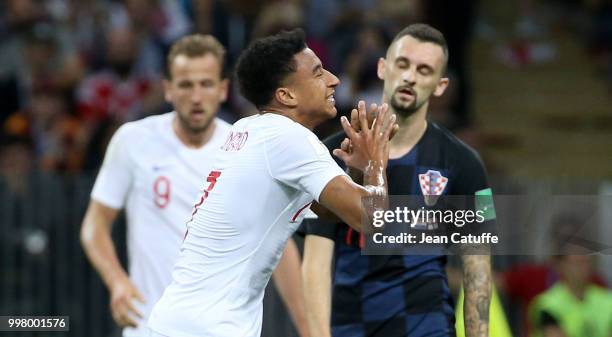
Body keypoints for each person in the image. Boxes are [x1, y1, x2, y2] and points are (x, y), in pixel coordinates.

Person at [147, 28, 397, 337]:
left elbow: (327, 210)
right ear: (286, 95)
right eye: (318, 73)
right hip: (210, 328)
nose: (334, 79)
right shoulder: (288, 137)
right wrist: (376, 162)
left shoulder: (251, 130)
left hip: (178, 321)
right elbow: (376, 222)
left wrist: (356, 172)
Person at [80, 34, 309, 337]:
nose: (196, 96)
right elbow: (94, 225)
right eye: (186, 85)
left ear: (223, 89)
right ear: (168, 89)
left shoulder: (249, 149)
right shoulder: (133, 141)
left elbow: (278, 248)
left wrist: (309, 329)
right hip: (149, 326)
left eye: (206, 84)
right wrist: (117, 281)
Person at [302, 23, 493, 337]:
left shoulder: (467, 164)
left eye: (424, 69)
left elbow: (478, 272)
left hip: (428, 328)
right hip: (350, 327)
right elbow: (315, 261)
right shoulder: (334, 153)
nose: (410, 76)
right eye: (403, 64)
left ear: (441, 85)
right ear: (382, 67)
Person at [529, 255, 612, 337]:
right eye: (576, 263)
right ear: (561, 265)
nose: (582, 268)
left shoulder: (607, 299)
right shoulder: (548, 304)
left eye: (586, 262)